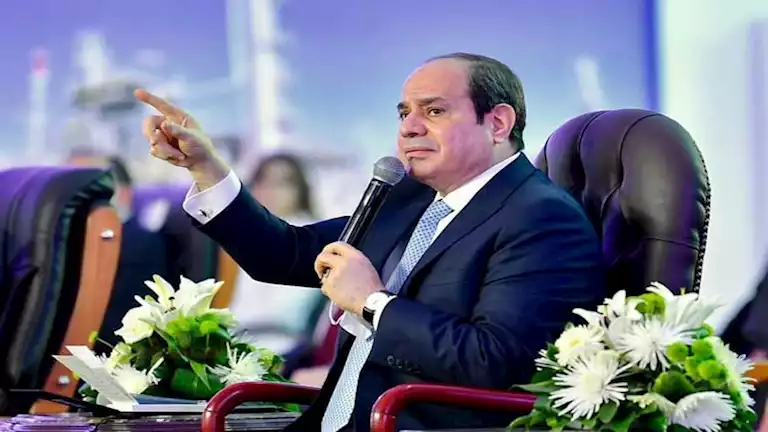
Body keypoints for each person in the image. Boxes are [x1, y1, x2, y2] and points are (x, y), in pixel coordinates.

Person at [136, 52, 606, 432]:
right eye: (404, 112)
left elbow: (494, 362)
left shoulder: (541, 218)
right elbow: (286, 254)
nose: (409, 127)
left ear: (498, 123)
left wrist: (373, 303)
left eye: (434, 111)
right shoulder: (407, 199)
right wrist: (205, 167)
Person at [228, 154, 327, 356]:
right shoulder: (240, 235)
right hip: (234, 341)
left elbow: (288, 316)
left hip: (281, 345)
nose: (270, 189)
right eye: (263, 180)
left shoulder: (309, 239)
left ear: (300, 190)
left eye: (282, 182)